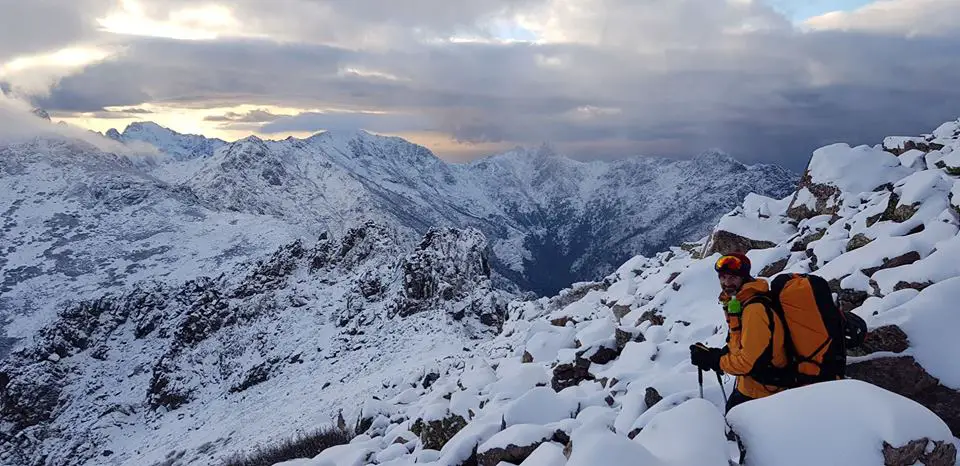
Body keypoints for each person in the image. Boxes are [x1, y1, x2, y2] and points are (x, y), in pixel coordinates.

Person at [690, 252, 788, 413]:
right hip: (752, 386)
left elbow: (748, 363)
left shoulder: (754, 310)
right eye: (723, 277)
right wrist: (719, 354)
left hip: (765, 393)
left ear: (744, 278)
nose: (726, 283)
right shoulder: (740, 302)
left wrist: (715, 361)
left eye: (733, 277)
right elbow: (745, 345)